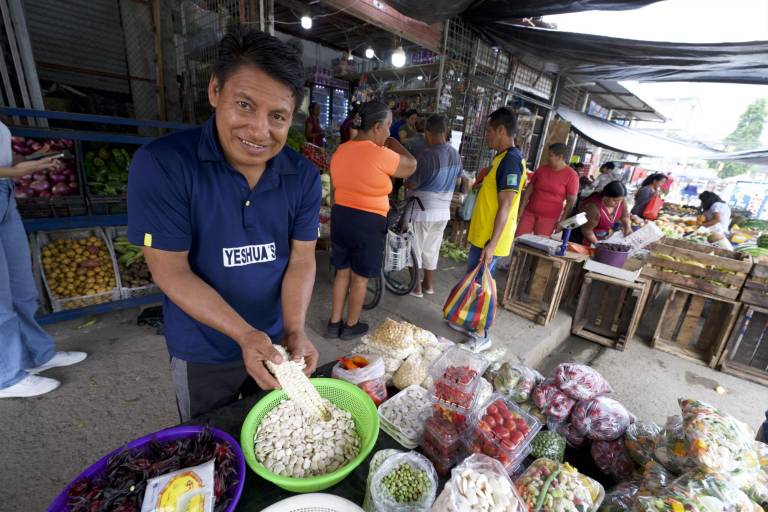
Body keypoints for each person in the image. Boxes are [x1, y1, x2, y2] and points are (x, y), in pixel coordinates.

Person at [127, 29, 322, 421]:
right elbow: (170, 270)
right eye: (245, 105)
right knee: (210, 445)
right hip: (203, 352)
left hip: (274, 347)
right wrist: (243, 335)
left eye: (277, 117)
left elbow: (301, 260)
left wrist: (295, 329)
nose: (258, 131)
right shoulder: (164, 165)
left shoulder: (302, 177)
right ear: (215, 90)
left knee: (278, 440)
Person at [0, 121, 87, 398]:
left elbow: (7, 156)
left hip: (5, 194)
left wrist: (33, 161)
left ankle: (35, 355)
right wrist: (15, 171)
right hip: (6, 182)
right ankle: (6, 377)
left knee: (21, 288)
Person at [328, 101, 417, 339]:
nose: (389, 131)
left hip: (340, 217)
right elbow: (411, 165)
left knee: (342, 272)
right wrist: (394, 142)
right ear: (377, 127)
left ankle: (333, 323)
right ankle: (350, 326)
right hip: (367, 223)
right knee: (359, 278)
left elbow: (335, 189)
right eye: (388, 126)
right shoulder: (381, 154)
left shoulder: (341, 150)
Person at [457, 107, 527, 351]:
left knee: (483, 287)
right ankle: (470, 323)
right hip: (483, 235)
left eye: (488, 130)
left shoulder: (511, 161)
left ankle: (483, 334)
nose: (485, 135)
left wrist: (492, 244)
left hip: (491, 238)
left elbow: (506, 205)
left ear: (501, 130)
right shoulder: (500, 158)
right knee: (474, 282)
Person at [405, 114, 462, 297]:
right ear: (445, 132)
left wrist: (406, 180)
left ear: (428, 133)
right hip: (443, 212)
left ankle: (416, 288)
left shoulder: (427, 155)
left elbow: (412, 184)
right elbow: (459, 179)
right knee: (432, 249)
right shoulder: (455, 154)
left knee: (414, 248)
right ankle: (428, 285)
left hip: (422, 211)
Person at [516, 143, 579, 236]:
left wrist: (562, 222)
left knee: (539, 245)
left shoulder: (571, 175)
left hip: (549, 218)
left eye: (550, 155)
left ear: (560, 157)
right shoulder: (541, 169)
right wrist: (521, 208)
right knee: (518, 238)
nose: (547, 158)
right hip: (529, 212)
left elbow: (571, 202)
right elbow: (529, 190)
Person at [576, 181, 632, 245]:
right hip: (588, 239)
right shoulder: (593, 208)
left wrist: (628, 228)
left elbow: (625, 216)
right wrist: (598, 244)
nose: (618, 203)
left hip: (605, 237)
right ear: (605, 196)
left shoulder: (620, 200)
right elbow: (586, 230)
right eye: (614, 200)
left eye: (621, 200)